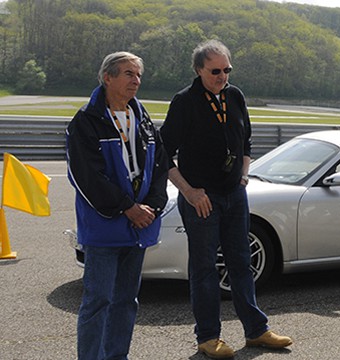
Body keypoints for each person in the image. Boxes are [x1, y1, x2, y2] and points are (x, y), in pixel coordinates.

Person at [160, 39, 292, 359]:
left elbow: (245, 140)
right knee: (205, 269)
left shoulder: (235, 95)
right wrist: (189, 192)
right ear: (199, 70)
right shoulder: (185, 101)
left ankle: (256, 331)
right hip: (202, 199)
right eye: (215, 71)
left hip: (235, 194)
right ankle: (207, 337)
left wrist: (244, 176)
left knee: (241, 263)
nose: (223, 76)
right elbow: (162, 153)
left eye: (227, 69)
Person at [66, 51, 169, 360]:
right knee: (97, 301)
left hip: (140, 224)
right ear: (107, 77)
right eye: (127, 73)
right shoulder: (86, 120)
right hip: (105, 226)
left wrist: (152, 206)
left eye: (137, 75)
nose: (135, 80)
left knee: (127, 300)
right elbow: (86, 177)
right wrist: (127, 207)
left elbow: (160, 166)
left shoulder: (143, 118)